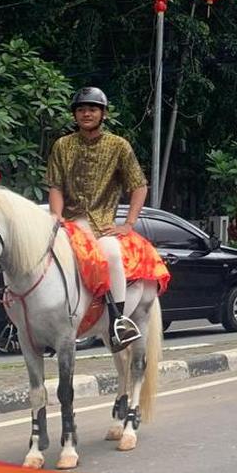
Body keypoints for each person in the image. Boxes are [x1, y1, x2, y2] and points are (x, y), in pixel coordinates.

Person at [46, 87, 148, 351]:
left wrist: (128, 224)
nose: (86, 114)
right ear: (75, 115)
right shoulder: (62, 145)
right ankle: (21, 325)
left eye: (92, 109)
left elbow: (139, 186)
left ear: (103, 113)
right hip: (69, 224)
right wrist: (56, 217)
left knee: (111, 254)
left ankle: (119, 323)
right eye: (81, 110)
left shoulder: (119, 146)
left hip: (102, 226)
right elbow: (55, 186)